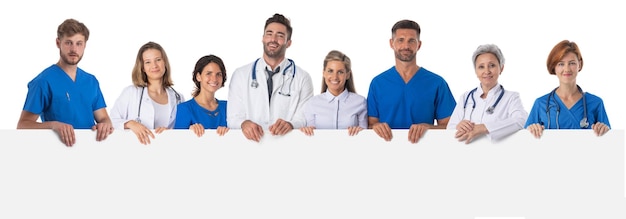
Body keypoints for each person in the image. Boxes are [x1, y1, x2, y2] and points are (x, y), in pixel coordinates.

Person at [17, 18, 113, 147]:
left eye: (79, 43)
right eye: (68, 43)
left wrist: (105, 125)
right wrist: (53, 125)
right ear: (58, 43)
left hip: (91, 150)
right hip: (58, 151)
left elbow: (103, 118)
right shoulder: (43, 82)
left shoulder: (91, 81)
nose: (74, 49)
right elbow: (23, 125)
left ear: (85, 45)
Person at [227, 13, 314, 142]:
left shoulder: (302, 78)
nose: (273, 39)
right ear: (262, 38)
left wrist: (291, 124)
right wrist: (244, 124)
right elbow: (233, 118)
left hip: (286, 145)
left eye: (280, 36)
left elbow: (305, 117)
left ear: (288, 43)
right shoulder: (240, 75)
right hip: (250, 146)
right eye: (269, 34)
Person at [367, 19, 456, 144]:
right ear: (391, 43)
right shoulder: (377, 83)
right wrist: (375, 127)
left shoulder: (437, 83)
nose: (406, 46)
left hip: (424, 151)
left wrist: (429, 128)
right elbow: (370, 125)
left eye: (411, 41)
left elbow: (451, 126)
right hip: (385, 150)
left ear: (419, 45)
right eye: (400, 40)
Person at [525, 40, 610, 138]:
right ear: (554, 67)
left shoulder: (595, 103)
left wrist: (605, 131)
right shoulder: (541, 104)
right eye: (561, 64)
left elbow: (609, 144)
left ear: (580, 64)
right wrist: (530, 130)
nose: (567, 69)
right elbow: (524, 143)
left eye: (572, 63)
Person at [446, 44, 528, 144]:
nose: (486, 71)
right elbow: (449, 129)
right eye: (481, 67)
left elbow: (521, 120)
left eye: (492, 65)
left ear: (501, 68)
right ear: (476, 71)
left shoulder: (511, 97)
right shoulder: (465, 97)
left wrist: (484, 127)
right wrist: (458, 126)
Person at [109, 41, 184, 145]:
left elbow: (182, 130)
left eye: (158, 60)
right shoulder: (131, 92)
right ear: (142, 67)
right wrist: (130, 124)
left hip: (167, 149)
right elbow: (110, 121)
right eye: (148, 62)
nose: (154, 65)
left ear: (165, 63)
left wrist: (170, 133)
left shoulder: (178, 97)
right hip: (137, 150)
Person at [300, 50, 367, 136]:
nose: (335, 77)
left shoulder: (360, 102)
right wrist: (306, 131)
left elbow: (366, 136)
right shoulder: (312, 103)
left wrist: (360, 131)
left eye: (340, 72)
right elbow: (310, 135)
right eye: (330, 71)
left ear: (347, 75)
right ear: (323, 73)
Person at [175, 55, 229, 137]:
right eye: (209, 73)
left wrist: (230, 132)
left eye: (218, 74)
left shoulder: (228, 107)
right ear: (198, 76)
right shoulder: (184, 109)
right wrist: (189, 132)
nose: (214, 79)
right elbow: (176, 142)